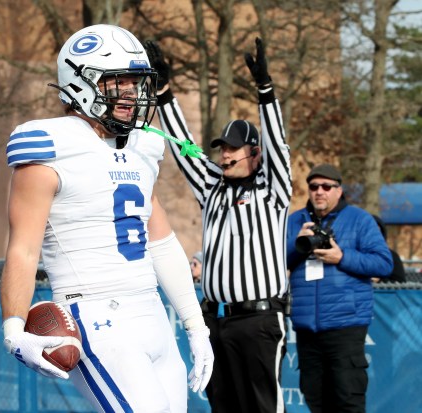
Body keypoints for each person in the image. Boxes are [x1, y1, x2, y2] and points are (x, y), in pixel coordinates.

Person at [0, 24, 214, 413]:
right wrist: (13, 329)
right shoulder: (49, 145)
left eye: (136, 83)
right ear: (82, 83)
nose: (132, 94)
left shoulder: (143, 146)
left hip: (152, 314)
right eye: (120, 82)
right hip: (98, 316)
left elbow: (161, 243)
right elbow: (24, 250)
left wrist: (195, 325)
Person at [148, 38, 291, 413]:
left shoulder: (272, 189)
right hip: (215, 318)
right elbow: (184, 148)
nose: (224, 154)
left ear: (253, 153)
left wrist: (265, 91)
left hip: (259, 318)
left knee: (263, 407)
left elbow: (278, 147)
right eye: (222, 148)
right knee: (223, 407)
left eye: (232, 148)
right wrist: (164, 93)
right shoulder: (212, 186)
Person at [286, 164, 393, 413]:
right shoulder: (295, 221)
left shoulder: (360, 219)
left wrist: (342, 257)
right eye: (314, 187)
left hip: (345, 325)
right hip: (306, 329)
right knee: (314, 398)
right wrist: (296, 243)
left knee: (348, 399)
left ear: (339, 190)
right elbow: (276, 261)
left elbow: (384, 263)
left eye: (326, 186)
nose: (319, 192)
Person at [371, 214, 406, 283]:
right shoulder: (354, 254)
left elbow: (401, 283)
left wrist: (380, 280)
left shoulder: (392, 256)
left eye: (377, 232)